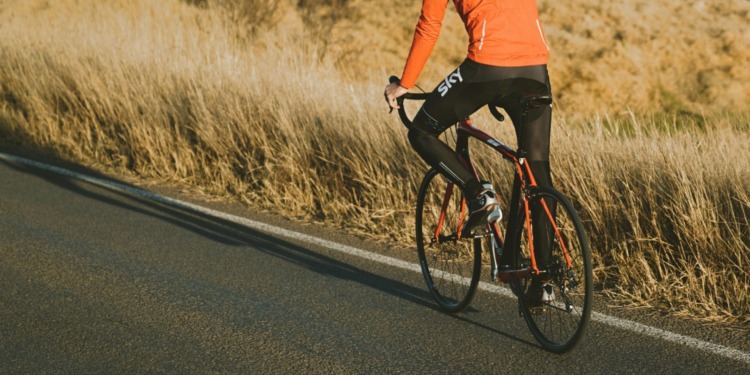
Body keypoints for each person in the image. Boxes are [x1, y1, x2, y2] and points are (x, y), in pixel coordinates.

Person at [384, 0, 554, 306]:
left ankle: (479, 195)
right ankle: (544, 279)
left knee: (421, 131)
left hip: (486, 66)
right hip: (535, 68)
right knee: (537, 172)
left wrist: (405, 84)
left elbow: (429, 25)